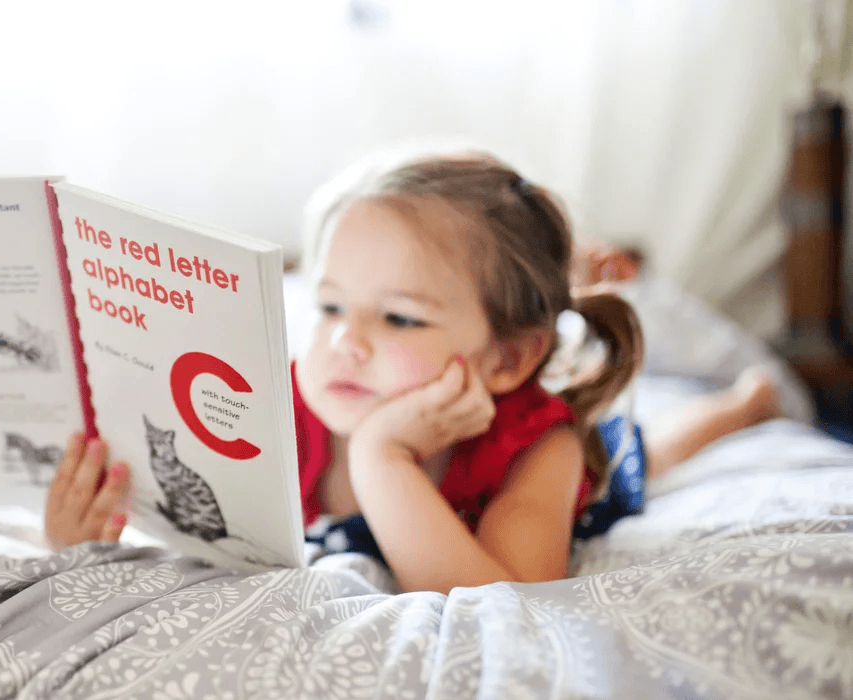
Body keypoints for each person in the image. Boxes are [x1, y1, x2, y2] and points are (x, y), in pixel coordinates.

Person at [44, 151, 781, 594]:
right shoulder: (288, 408)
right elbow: (198, 536)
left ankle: (743, 405)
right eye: (329, 305)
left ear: (511, 358)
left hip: (580, 464)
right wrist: (92, 538)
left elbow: (508, 598)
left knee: (643, 456)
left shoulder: (538, 446)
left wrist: (380, 456)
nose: (346, 342)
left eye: (398, 318)